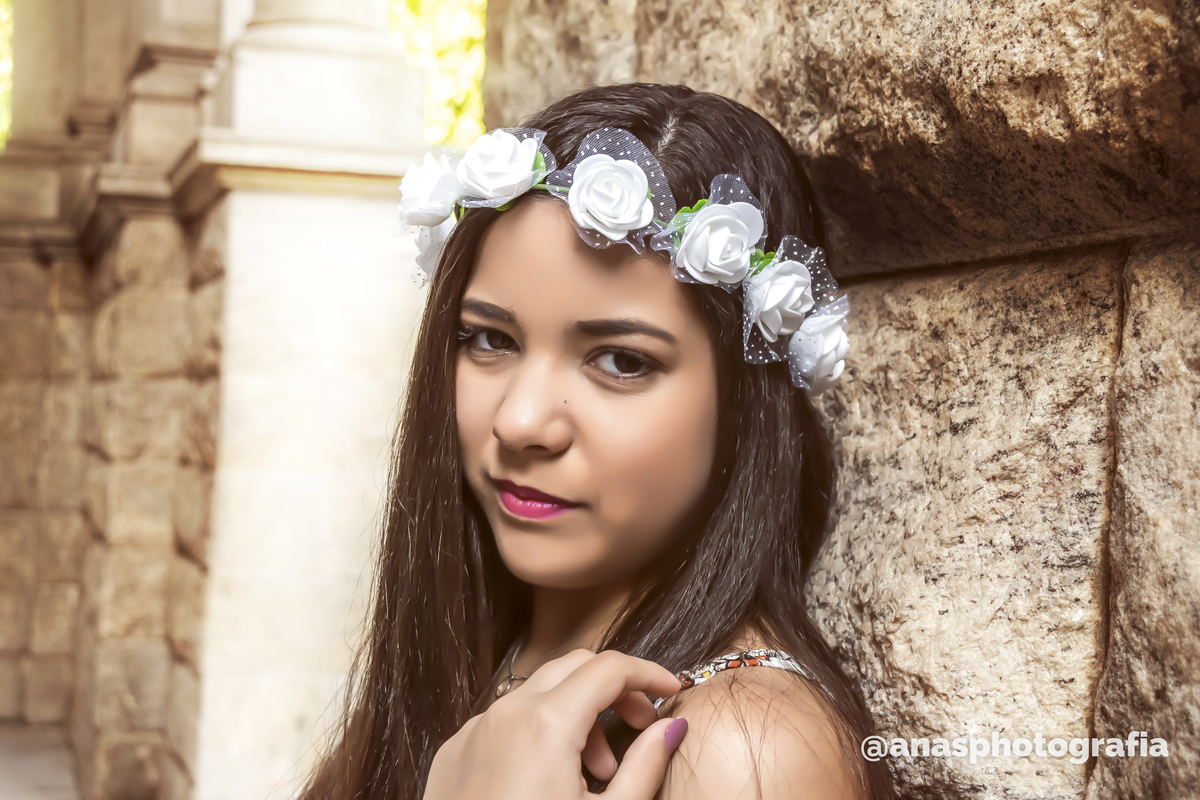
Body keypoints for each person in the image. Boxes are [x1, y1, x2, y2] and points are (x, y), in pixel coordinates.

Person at [298, 83, 893, 800]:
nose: (520, 421)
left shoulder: (742, 750)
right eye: (489, 339)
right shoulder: (475, 652)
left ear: (743, 405)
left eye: (622, 360)